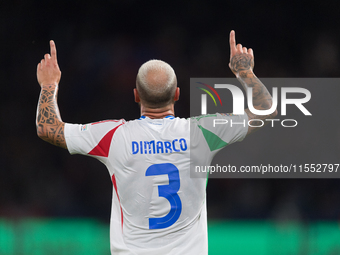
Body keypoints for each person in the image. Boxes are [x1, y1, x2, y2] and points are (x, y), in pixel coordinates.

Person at [36, 30, 277, 255]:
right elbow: (266, 110)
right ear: (177, 94)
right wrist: (244, 71)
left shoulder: (114, 137)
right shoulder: (202, 133)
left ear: (136, 95)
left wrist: (49, 84)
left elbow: (48, 128)